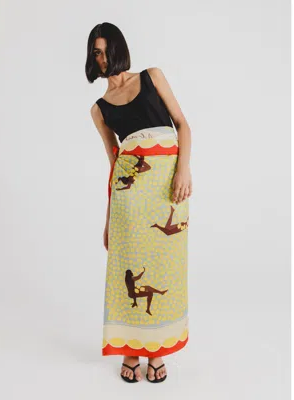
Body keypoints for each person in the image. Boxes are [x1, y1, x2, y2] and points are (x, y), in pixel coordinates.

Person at [87, 22, 192, 383]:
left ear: (119, 48)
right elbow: (114, 163)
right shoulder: (99, 109)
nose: (102, 59)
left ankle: (157, 349)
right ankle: (131, 349)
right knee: (128, 266)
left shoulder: (152, 76)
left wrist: (183, 170)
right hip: (129, 197)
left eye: (105, 50)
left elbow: (182, 125)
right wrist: (108, 220)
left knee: (164, 265)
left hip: (167, 188)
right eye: (96, 53)